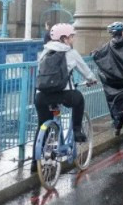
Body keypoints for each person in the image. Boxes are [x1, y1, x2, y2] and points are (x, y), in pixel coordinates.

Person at [32, 23, 97, 171]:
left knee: (42, 124)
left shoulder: (44, 52)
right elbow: (86, 71)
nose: (72, 39)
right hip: (64, 94)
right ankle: (77, 130)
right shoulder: (71, 52)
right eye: (71, 37)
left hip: (42, 96)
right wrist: (91, 79)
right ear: (64, 38)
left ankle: (34, 165)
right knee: (79, 99)